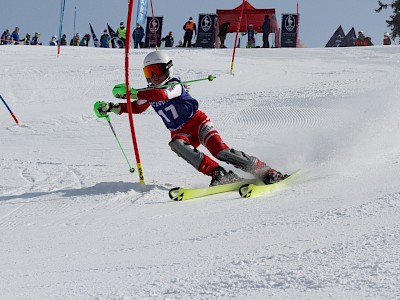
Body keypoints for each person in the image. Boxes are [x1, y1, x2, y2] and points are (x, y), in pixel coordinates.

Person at [94, 51, 287, 186]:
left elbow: (162, 96)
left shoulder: (176, 86)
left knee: (220, 151)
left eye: (157, 71)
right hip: (181, 133)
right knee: (175, 143)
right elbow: (136, 108)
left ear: (168, 70)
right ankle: (219, 174)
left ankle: (266, 171)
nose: (153, 77)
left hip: (199, 124)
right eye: (149, 72)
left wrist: (135, 92)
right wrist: (112, 107)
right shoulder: (149, 93)